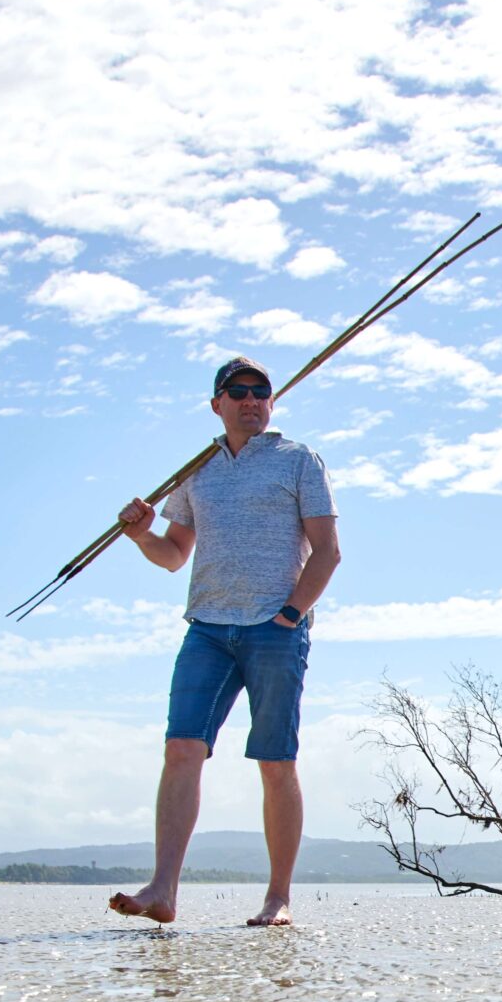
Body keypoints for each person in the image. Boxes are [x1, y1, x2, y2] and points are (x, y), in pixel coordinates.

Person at [107, 356, 341, 928]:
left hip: (275, 630)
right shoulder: (198, 469)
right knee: (181, 749)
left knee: (275, 760)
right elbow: (172, 555)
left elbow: (328, 551)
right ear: (217, 404)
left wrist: (291, 614)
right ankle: (163, 890)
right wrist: (140, 535)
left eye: (260, 392)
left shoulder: (299, 459)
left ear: (271, 401)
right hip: (207, 628)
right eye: (238, 392)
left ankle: (277, 897)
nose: (251, 400)